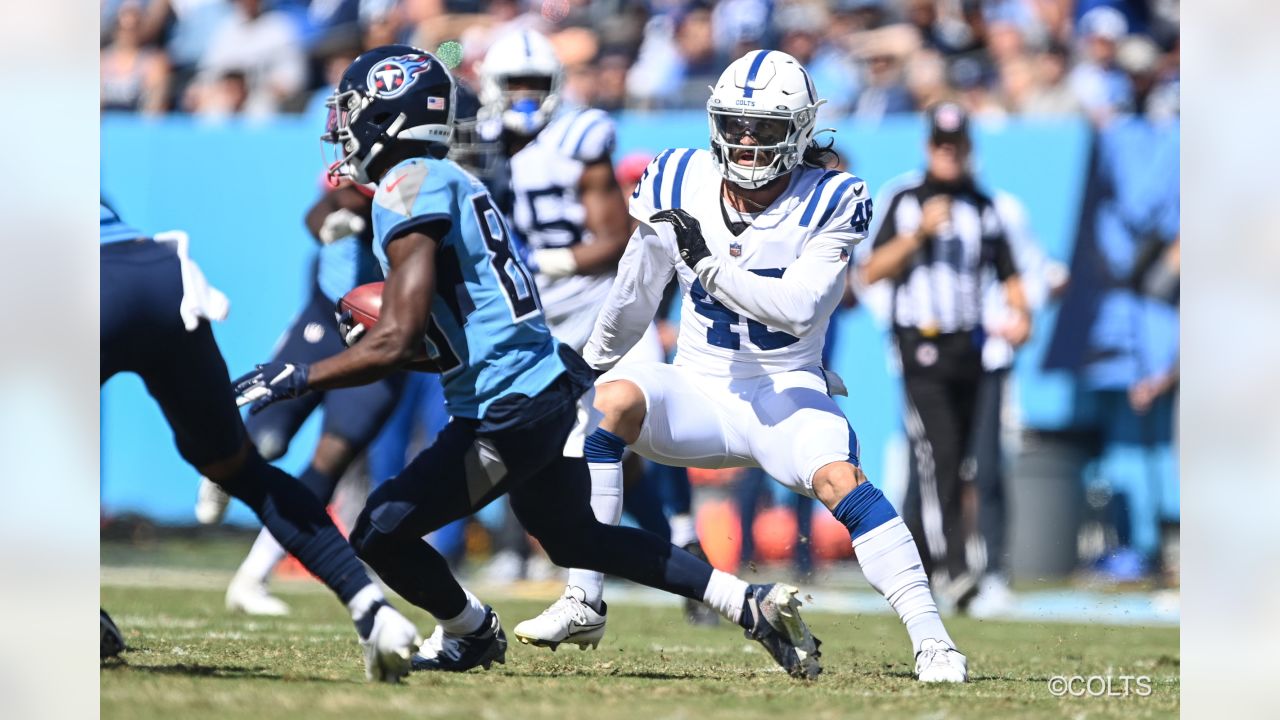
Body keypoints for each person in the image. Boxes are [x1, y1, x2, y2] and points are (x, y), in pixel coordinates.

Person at [233, 45, 822, 679]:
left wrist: (297, 376)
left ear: (388, 114)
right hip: (537, 386)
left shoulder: (409, 185)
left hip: (505, 406)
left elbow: (397, 340)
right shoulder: (450, 179)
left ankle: (470, 632)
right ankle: (749, 603)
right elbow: (443, 339)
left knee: (379, 531)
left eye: (352, 111)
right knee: (577, 538)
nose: (343, 127)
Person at [520, 49, 968, 683]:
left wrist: (706, 263)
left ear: (802, 129)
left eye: (766, 127)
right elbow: (636, 289)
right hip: (699, 385)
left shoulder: (833, 196)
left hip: (784, 388)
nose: (748, 141)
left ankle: (933, 640)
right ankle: (583, 598)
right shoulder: (676, 177)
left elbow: (798, 308)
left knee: (842, 480)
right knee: (610, 402)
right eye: (735, 124)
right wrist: (586, 364)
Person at [99, 202, 420, 682]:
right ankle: (373, 610)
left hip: (88, 279)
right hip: (163, 272)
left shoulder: (415, 183)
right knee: (244, 464)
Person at [476, 29, 717, 631]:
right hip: (532, 318)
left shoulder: (578, 136)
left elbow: (615, 238)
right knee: (568, 453)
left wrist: (559, 261)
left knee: (634, 432)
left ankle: (603, 587)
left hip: (597, 310)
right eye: (516, 86)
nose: (527, 97)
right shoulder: (478, 144)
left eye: (537, 84)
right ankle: (683, 563)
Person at [858, 102, 1031, 607]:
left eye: (957, 146)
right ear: (928, 146)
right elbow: (871, 270)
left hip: (970, 347)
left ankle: (943, 567)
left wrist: (1022, 315)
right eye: (941, 145)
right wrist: (919, 235)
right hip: (921, 344)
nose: (949, 155)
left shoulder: (984, 206)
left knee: (966, 461)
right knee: (938, 457)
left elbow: (1009, 272)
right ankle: (953, 567)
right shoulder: (905, 198)